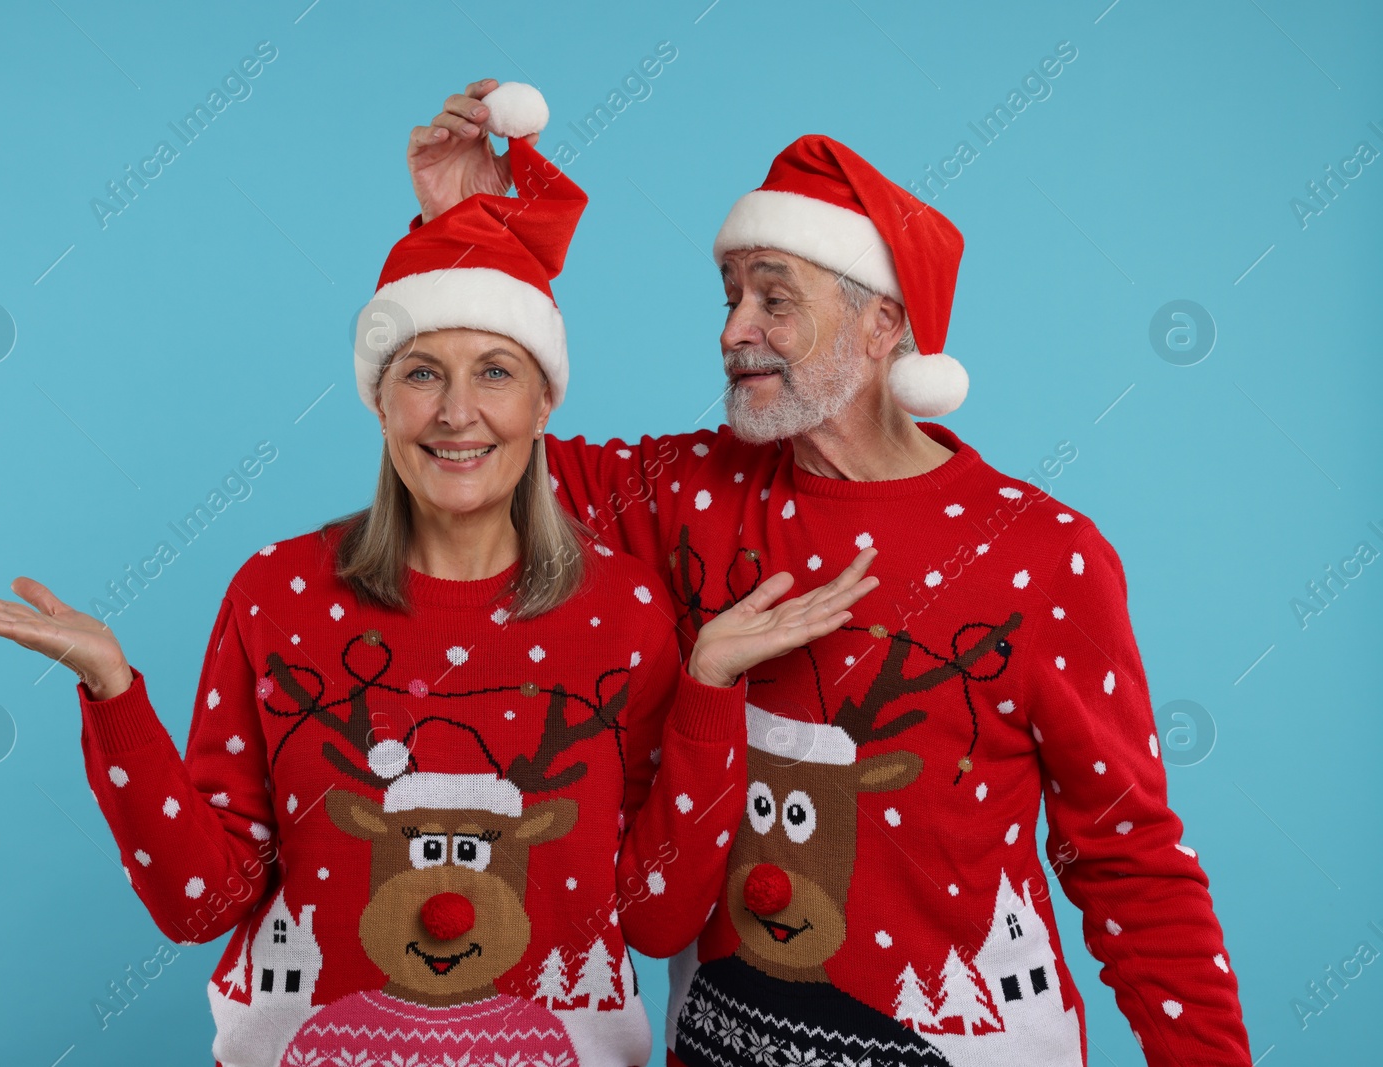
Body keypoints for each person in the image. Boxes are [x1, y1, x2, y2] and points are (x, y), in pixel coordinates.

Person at [0, 86, 882, 1067]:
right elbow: (198, 901)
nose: (456, 411)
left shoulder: (625, 611)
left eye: (495, 371)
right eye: (421, 371)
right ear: (379, 398)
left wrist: (709, 694)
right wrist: (112, 688)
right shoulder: (275, 594)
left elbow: (658, 915)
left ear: (545, 401)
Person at [403, 80, 1253, 1066]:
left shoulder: (1044, 555)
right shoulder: (691, 491)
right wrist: (466, 239)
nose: (732, 331)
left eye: (773, 298)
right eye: (729, 299)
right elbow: (473, 464)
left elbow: (1128, 862)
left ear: (881, 324)